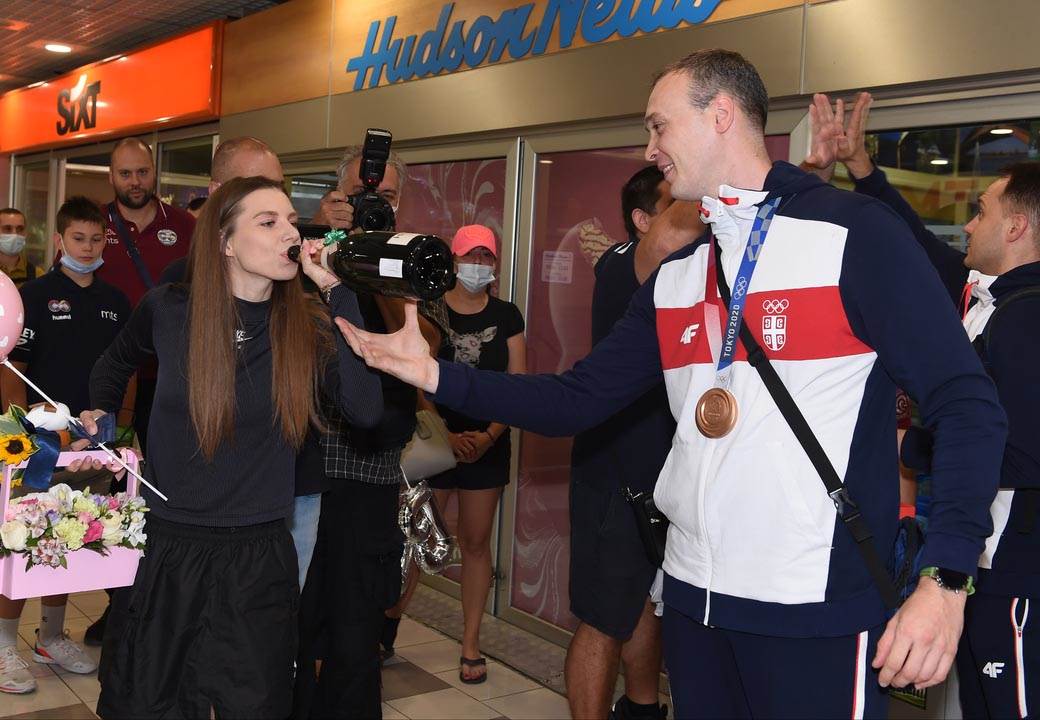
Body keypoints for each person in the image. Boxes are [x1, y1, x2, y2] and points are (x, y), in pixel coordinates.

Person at [336, 49, 1008, 719]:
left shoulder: (850, 235)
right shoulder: (682, 274)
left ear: (720, 115)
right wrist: (429, 372)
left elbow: (967, 404)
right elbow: (578, 398)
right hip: (693, 601)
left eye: (659, 126)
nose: (649, 146)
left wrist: (946, 577)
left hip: (815, 605)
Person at [78, 176, 382, 719]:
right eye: (268, 222)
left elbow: (365, 409)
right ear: (225, 241)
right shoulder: (169, 309)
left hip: (258, 555)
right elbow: (112, 362)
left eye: (291, 220)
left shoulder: (306, 324)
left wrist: (340, 292)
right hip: (168, 546)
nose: (288, 231)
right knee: (150, 704)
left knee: (254, 705)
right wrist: (100, 413)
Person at [808, 91, 1040, 719]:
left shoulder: (1025, 321)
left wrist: (924, 439)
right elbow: (918, 248)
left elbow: (1012, 446)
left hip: (1014, 567)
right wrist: (862, 170)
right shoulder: (990, 298)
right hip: (983, 562)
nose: (967, 223)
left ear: (1017, 227)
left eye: (983, 211)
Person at [293, 144, 442, 720]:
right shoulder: (302, 252)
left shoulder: (415, 262)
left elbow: (427, 346)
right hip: (302, 468)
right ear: (335, 200)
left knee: (357, 636)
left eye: (382, 198)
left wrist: (368, 264)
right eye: (357, 197)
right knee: (295, 625)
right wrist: (321, 245)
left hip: (371, 472)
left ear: (401, 204)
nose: (369, 206)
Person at [569, 167, 703, 720]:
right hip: (615, 474)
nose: (692, 211)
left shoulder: (687, 272)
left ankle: (644, 709)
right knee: (604, 617)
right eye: (673, 201)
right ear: (643, 221)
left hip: (666, 471)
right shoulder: (625, 266)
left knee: (645, 601)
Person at [0, 197, 132, 694]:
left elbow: (126, 372)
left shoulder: (117, 301)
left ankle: (51, 636)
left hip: (94, 443)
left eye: (97, 239)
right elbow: (10, 368)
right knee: (20, 540)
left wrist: (119, 428)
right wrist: (19, 431)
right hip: (35, 445)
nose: (88, 247)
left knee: (70, 537)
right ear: (59, 240)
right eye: (79, 238)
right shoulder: (32, 294)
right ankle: (2, 645)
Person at [395, 224, 526, 684]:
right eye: (471, 256)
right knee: (416, 539)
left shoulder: (507, 315)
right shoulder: (428, 308)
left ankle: (471, 642)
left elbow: (517, 383)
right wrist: (446, 434)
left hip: (486, 444)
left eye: (487, 257)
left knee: (474, 542)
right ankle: (384, 628)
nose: (479, 265)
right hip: (433, 440)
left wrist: (488, 436)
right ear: (453, 260)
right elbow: (413, 376)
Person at [0, 208, 40, 287]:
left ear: (25, 233)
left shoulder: (37, 275)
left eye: (20, 229)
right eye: (8, 229)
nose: (15, 234)